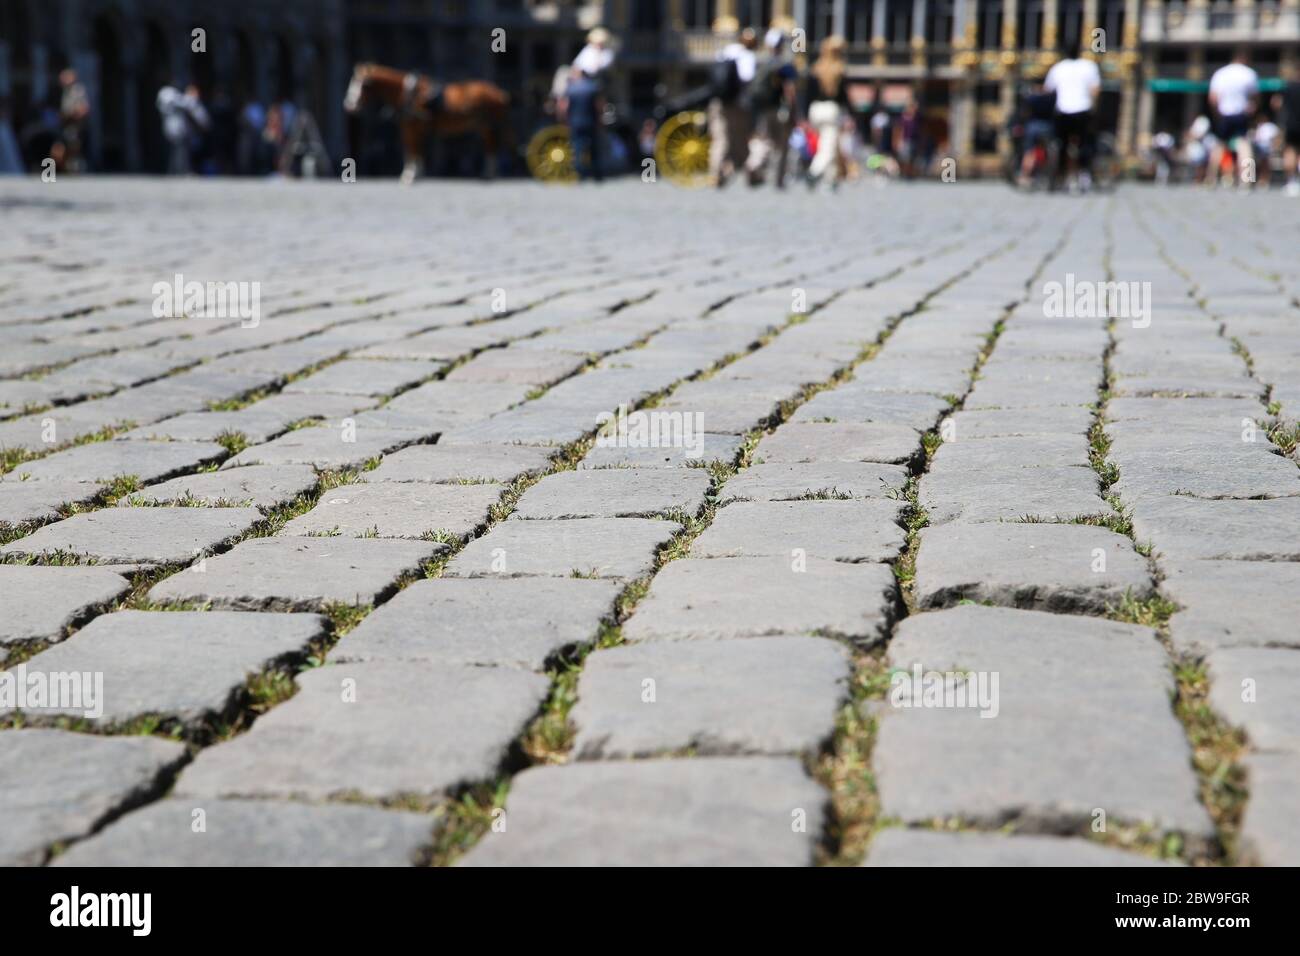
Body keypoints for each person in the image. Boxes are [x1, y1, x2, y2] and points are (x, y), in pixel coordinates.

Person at [744, 28, 798, 188]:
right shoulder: (785, 63)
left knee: (765, 141)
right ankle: (779, 180)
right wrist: (794, 111)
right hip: (780, 109)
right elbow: (790, 89)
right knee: (782, 145)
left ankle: (753, 164)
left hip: (762, 109)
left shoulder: (760, 62)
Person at [1045, 37, 1101, 192]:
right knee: (1085, 144)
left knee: (1061, 144)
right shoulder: (1089, 66)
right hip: (1083, 109)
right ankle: (1084, 174)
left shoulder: (1058, 68)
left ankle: (1060, 176)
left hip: (1063, 110)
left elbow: (1048, 90)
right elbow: (1095, 90)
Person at [708, 27, 757, 188]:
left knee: (720, 139)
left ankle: (716, 173)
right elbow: (747, 78)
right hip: (736, 103)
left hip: (718, 101)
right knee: (739, 139)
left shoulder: (727, 51)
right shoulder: (748, 56)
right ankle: (749, 173)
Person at [1207, 50, 1258, 187]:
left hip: (1225, 113)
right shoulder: (1249, 73)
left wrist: (1217, 113)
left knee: (1219, 145)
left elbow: (1213, 97)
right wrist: (1251, 109)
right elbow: (1255, 97)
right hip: (1241, 113)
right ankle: (1248, 180)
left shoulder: (1221, 73)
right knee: (1244, 146)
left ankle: (1210, 179)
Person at [805, 35, 849, 191]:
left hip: (815, 109)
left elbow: (807, 93)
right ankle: (813, 172)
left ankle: (832, 179)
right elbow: (844, 96)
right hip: (831, 110)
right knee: (828, 146)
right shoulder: (839, 69)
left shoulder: (816, 67)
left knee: (829, 142)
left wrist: (804, 115)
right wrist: (850, 114)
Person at [1017, 82, 1058, 187]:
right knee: (1050, 150)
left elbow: (1025, 112)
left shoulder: (1032, 98)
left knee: (1029, 152)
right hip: (1048, 126)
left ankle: (1025, 176)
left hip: (1033, 126)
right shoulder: (1052, 98)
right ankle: (1049, 173)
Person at [58, 69, 90, 172]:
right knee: (64, 148)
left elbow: (84, 108)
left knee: (73, 147)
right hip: (66, 125)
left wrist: (71, 114)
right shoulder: (66, 90)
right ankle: (68, 168)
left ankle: (75, 168)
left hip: (74, 125)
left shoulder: (77, 90)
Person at [1274, 83, 1300, 196]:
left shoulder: (1288, 87)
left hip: (1291, 124)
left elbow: (1276, 103)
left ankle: (1292, 181)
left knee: (1290, 151)